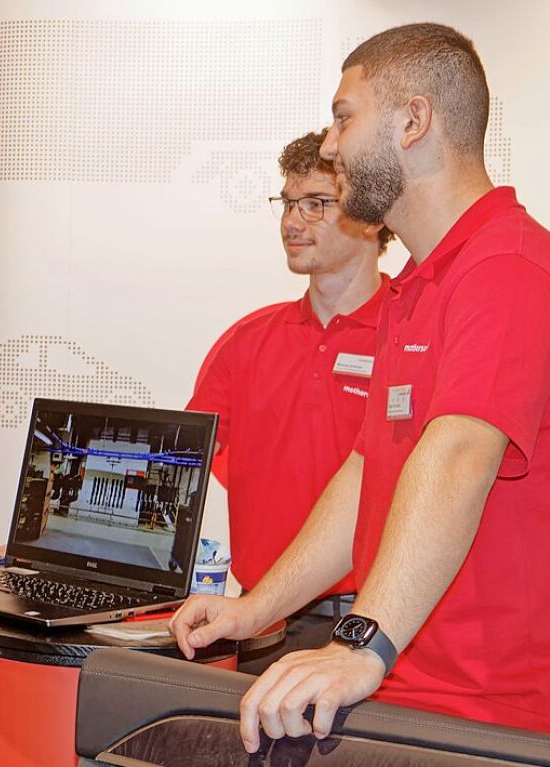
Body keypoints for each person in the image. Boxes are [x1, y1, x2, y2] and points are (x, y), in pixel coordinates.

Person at [171, 23, 550, 747]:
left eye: (345, 116)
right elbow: (365, 476)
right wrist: (255, 609)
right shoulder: (416, 289)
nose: (328, 145)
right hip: (406, 693)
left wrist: (362, 643)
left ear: (413, 121)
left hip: (493, 717)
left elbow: (456, 457)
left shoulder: (508, 269)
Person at [188, 129, 391, 673]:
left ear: (372, 218)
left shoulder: (415, 333)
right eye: (288, 202)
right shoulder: (246, 340)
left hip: (374, 627)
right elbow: (179, 469)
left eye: (317, 204)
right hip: (263, 622)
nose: (291, 221)